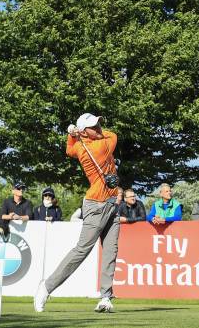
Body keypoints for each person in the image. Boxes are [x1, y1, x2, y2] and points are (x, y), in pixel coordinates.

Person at [35, 113, 120, 313]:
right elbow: (112, 135)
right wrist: (79, 133)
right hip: (97, 205)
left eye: (100, 124)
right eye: (94, 127)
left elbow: (69, 149)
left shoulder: (81, 145)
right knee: (82, 250)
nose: (99, 128)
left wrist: (73, 135)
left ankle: (106, 297)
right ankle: (46, 287)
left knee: (110, 251)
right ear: (85, 131)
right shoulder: (101, 146)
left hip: (112, 204)